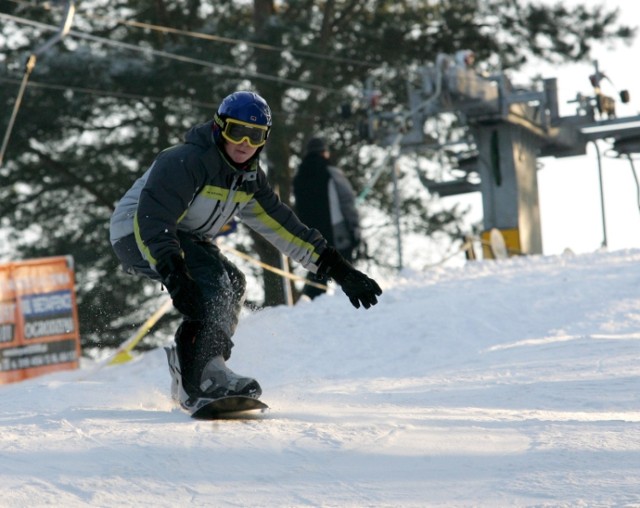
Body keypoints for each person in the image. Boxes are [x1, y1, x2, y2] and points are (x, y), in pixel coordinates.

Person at [109, 91, 382, 411]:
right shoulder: (186, 160)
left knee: (233, 281)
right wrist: (174, 272)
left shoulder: (248, 180)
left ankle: (208, 367)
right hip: (137, 231)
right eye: (236, 131)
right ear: (218, 128)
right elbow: (153, 220)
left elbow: (288, 230)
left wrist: (339, 270)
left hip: (185, 238)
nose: (245, 143)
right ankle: (198, 377)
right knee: (211, 278)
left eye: (256, 136)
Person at [293, 137, 362, 300]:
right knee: (345, 272)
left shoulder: (299, 177)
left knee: (317, 275)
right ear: (325, 153)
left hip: (311, 237)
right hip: (338, 233)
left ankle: (310, 304)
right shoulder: (332, 173)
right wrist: (355, 230)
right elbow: (347, 202)